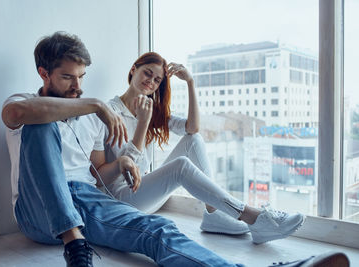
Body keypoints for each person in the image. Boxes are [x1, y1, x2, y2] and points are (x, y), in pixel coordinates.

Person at [2, 31, 349, 267]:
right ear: (43, 72)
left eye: (82, 78)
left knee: (160, 231)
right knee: (41, 123)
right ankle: (75, 243)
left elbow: (97, 175)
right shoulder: (25, 103)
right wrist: (97, 105)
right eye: (67, 78)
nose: (78, 87)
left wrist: (122, 160)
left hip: (86, 200)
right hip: (38, 213)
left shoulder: (88, 119)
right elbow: (18, 114)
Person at [93, 52, 302, 244]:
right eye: (147, 73)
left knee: (193, 140)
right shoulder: (109, 112)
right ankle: (252, 217)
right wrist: (142, 124)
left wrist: (190, 82)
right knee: (181, 165)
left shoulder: (150, 110)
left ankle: (214, 214)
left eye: (157, 80)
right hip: (125, 202)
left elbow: (192, 128)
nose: (151, 82)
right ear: (133, 70)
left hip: (147, 196)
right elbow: (108, 176)